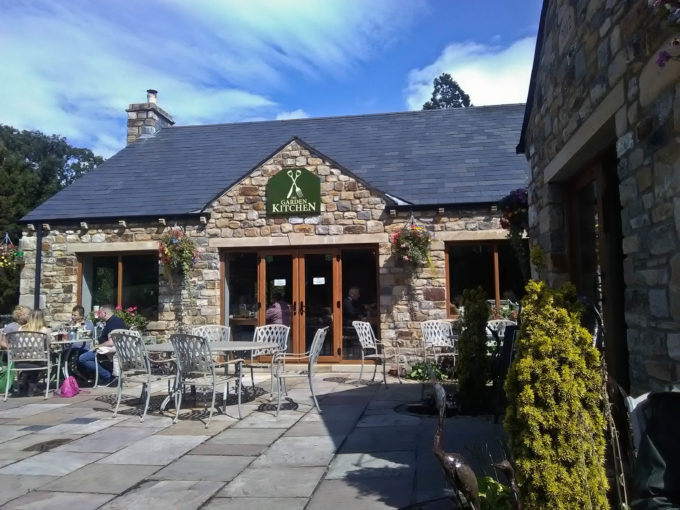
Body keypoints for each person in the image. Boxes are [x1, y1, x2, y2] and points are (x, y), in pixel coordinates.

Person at [77, 304, 127, 386]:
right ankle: (108, 374)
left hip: (110, 350)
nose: (98, 313)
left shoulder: (113, 322)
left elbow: (111, 342)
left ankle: (107, 376)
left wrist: (97, 346)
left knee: (83, 358)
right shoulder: (115, 320)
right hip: (114, 350)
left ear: (104, 313)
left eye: (100, 312)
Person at [15, 309, 52, 395]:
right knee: (40, 361)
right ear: (42, 318)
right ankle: (32, 388)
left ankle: (24, 375)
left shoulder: (21, 328)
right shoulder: (45, 330)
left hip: (19, 361)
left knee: (33, 359)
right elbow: (48, 346)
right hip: (36, 361)